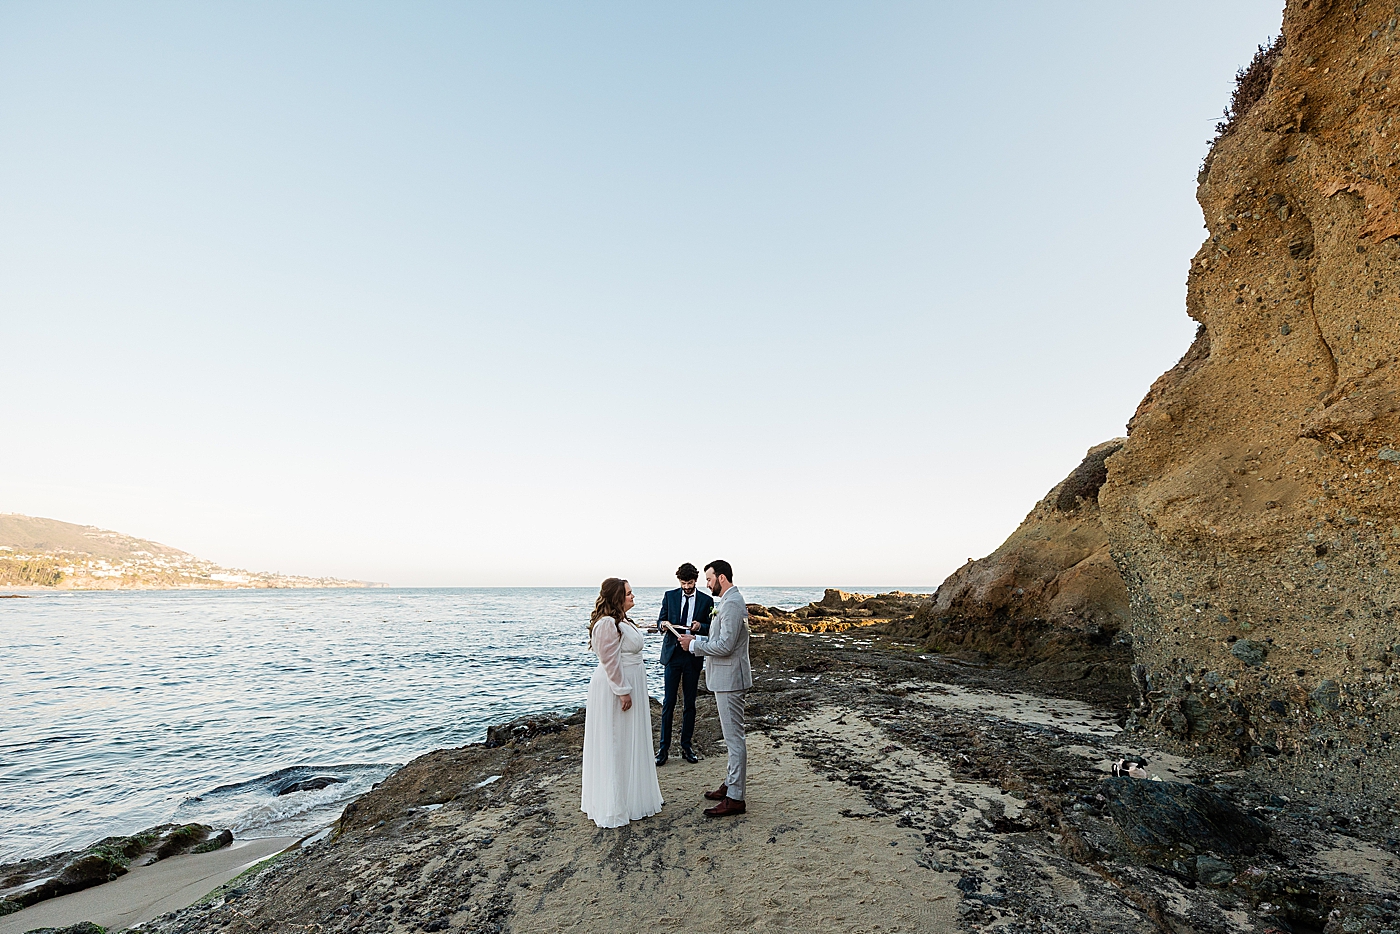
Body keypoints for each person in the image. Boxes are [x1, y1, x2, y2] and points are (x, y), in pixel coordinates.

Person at [580, 578, 664, 828]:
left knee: (630, 739)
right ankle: (615, 803)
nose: (632, 596)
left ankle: (633, 798)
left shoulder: (623, 621)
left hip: (631, 682)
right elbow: (610, 661)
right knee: (617, 740)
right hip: (615, 688)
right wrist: (623, 691)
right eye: (628, 593)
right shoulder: (607, 623)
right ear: (617, 597)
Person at [678, 559, 751, 817]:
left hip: (730, 679)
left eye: (709, 579)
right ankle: (731, 784)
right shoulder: (729, 601)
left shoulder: (731, 603)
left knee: (734, 739)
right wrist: (696, 638)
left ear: (721, 577)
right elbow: (720, 638)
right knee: (732, 738)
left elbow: (726, 646)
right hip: (727, 678)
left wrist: (694, 646)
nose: (707, 584)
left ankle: (736, 798)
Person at [653, 563, 714, 766]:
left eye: (689, 583)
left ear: (695, 580)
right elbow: (660, 620)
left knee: (690, 703)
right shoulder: (669, 596)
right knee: (668, 702)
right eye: (683, 583)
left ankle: (686, 747)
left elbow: (711, 627)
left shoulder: (706, 600)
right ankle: (663, 749)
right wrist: (662, 625)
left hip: (692, 655)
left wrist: (700, 626)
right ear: (679, 581)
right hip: (672, 655)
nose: (686, 587)